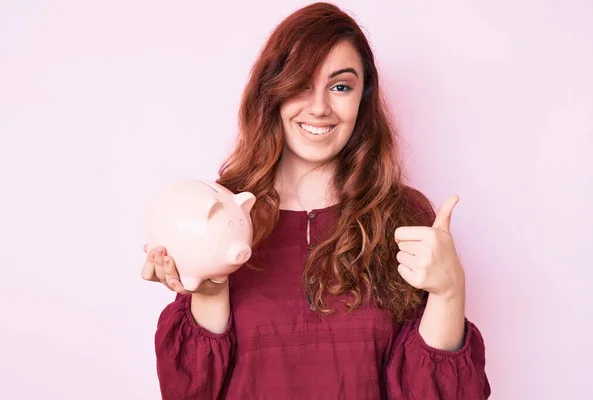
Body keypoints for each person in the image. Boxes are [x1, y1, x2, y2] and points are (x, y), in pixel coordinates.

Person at [142, 2, 491, 399]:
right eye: (300, 83)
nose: (320, 107)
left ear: (363, 98)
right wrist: (207, 287)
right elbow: (192, 391)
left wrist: (449, 291)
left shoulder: (404, 217)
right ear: (272, 90)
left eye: (340, 86)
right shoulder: (225, 211)